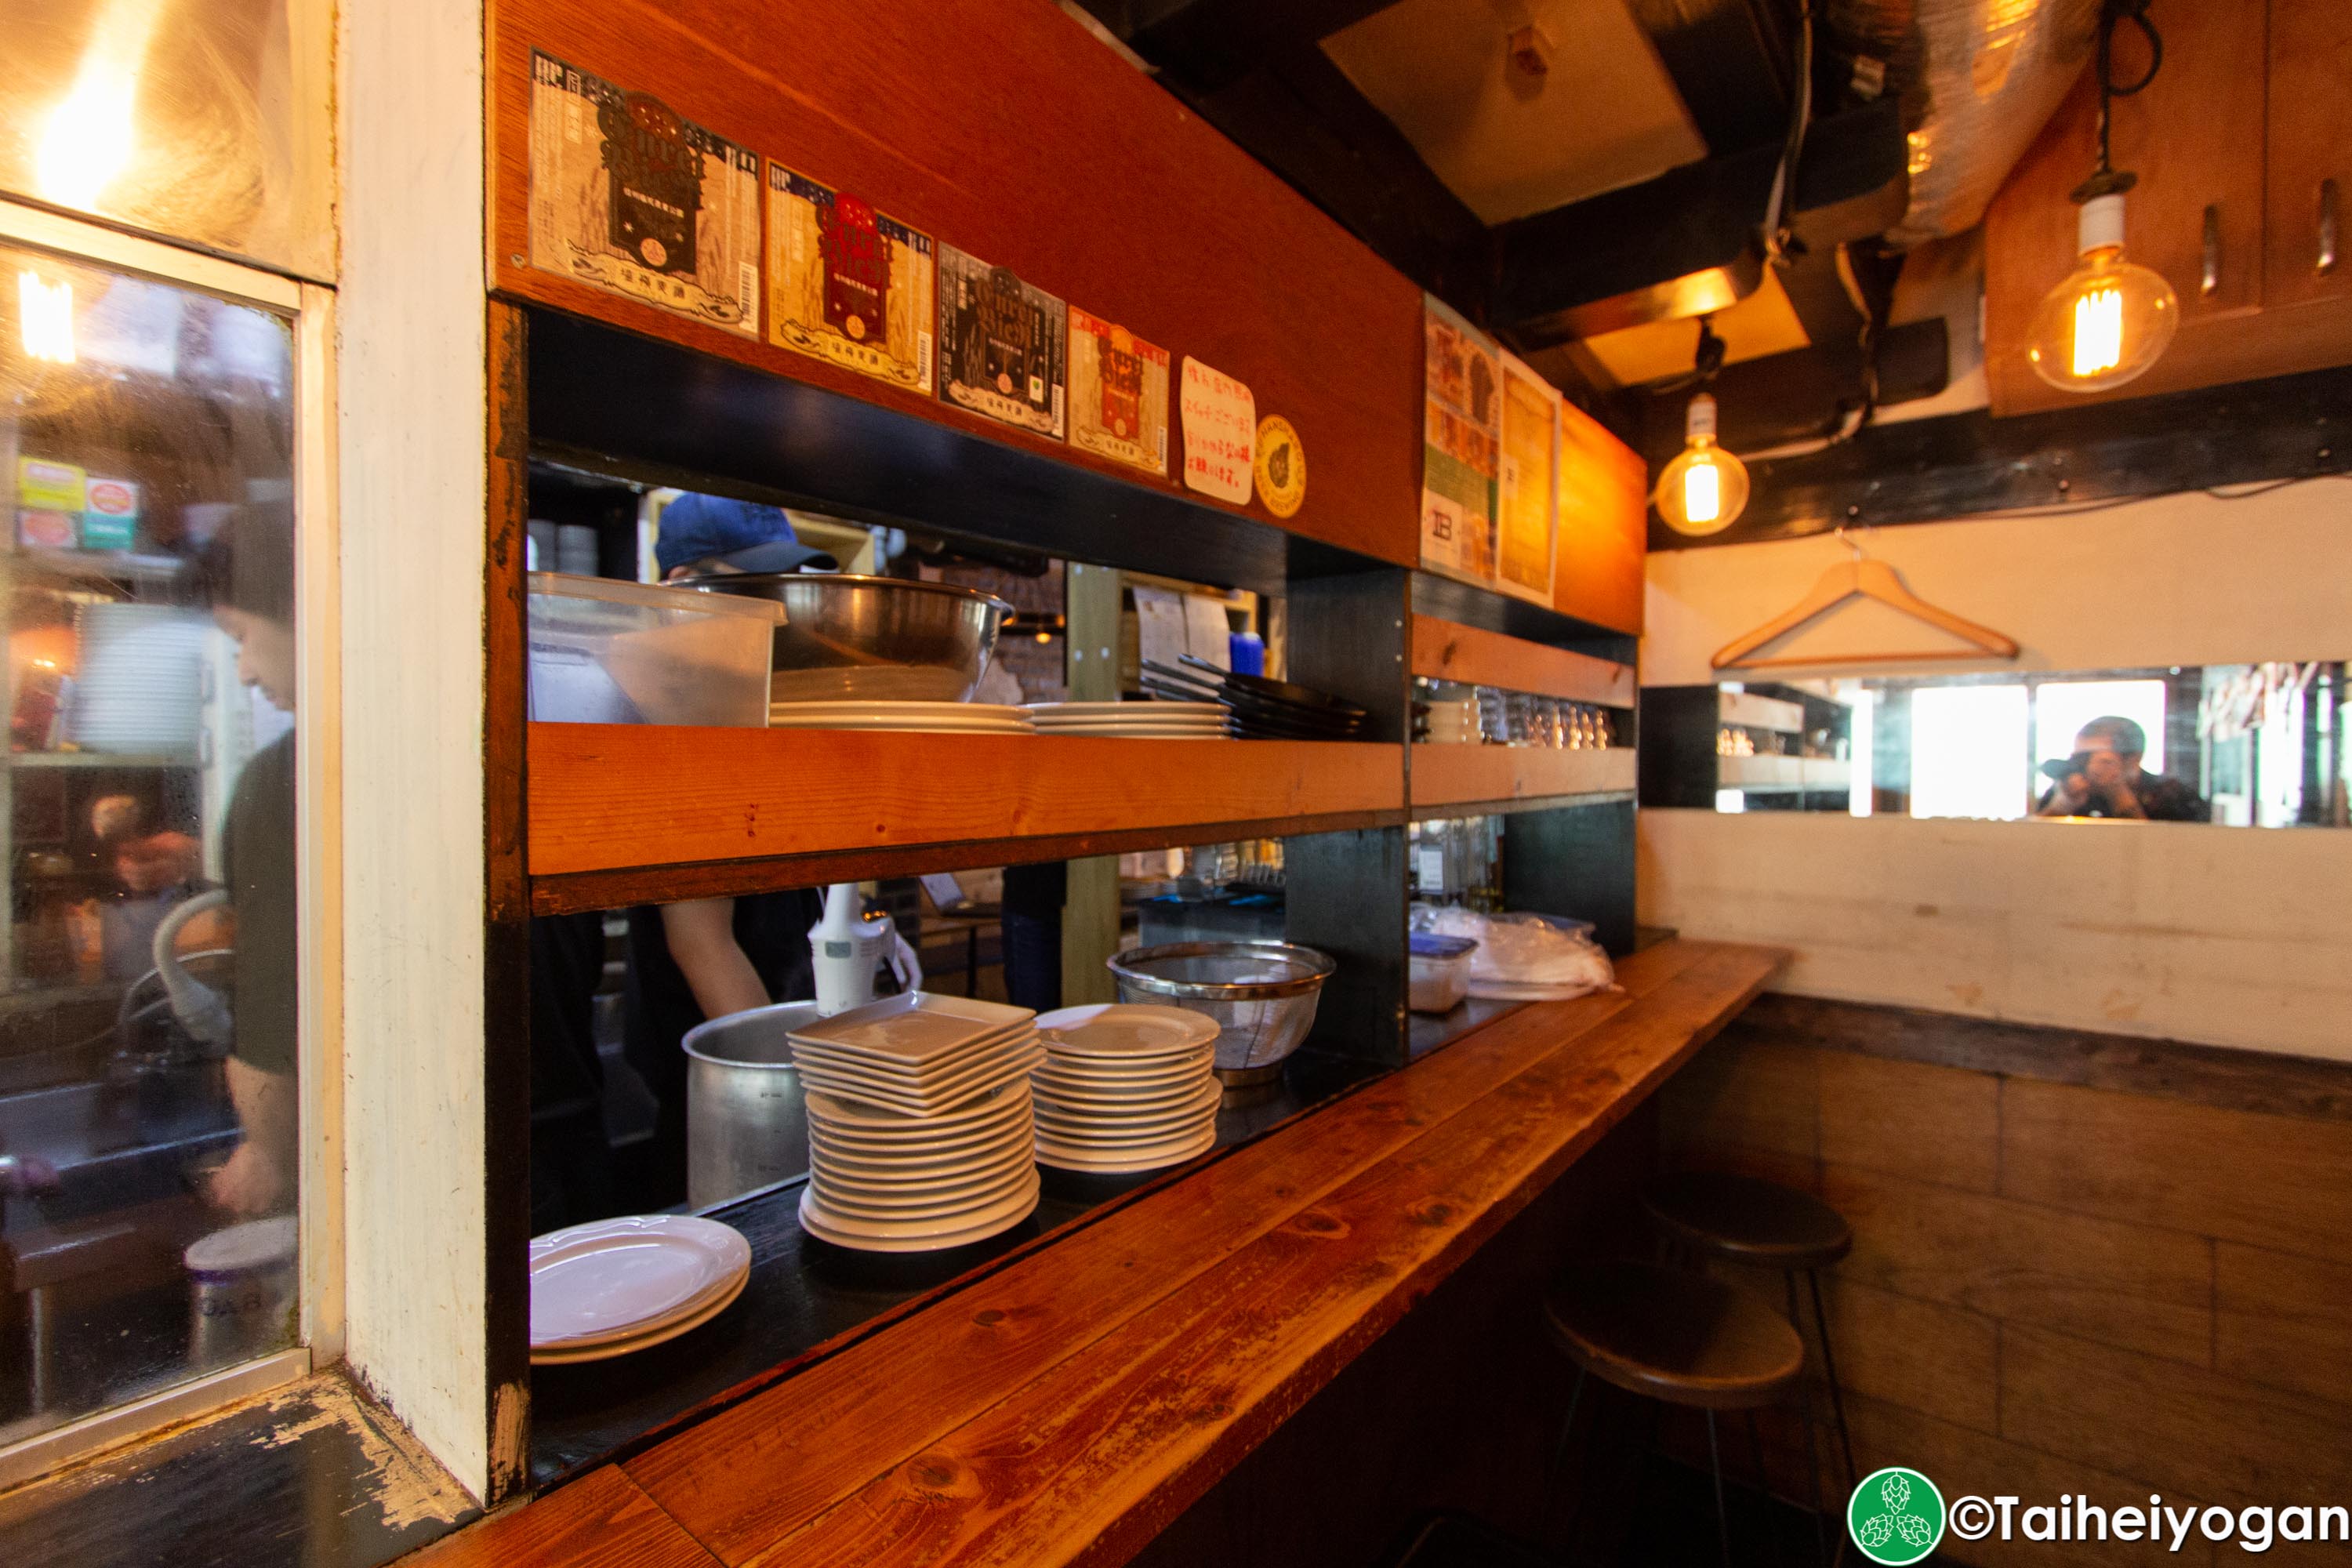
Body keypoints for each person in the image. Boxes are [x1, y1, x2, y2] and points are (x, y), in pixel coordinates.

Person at [621, 494, 833, 1205]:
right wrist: (796, 1104)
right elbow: (701, 944)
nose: (778, 615)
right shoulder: (681, 723)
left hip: (772, 1064)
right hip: (725, 1097)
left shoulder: (744, 712)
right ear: (680, 591)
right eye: (755, 591)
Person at [198, 500, 300, 1217]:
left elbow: (274, 1002)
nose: (243, 671)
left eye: (242, 636)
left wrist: (268, 1153)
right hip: (563, 1157)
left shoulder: (287, 779)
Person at [2035, 715, 2208, 822]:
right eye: (2080, 758)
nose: (2086, 766)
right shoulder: (2069, 791)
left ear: (2134, 759)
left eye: (2095, 757)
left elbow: (2174, 856)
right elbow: (2031, 846)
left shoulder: (2172, 795)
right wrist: (2062, 805)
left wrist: (2118, 794)